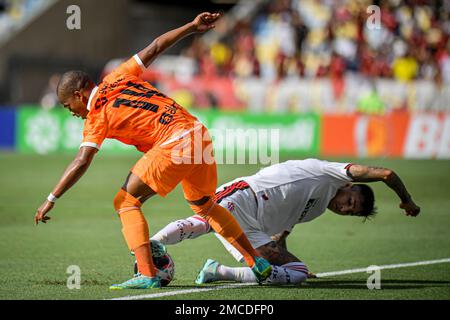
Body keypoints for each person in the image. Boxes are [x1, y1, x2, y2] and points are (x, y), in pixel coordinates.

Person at [33, 12, 272, 290]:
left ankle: (147, 273)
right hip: (198, 133)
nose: (72, 113)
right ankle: (257, 261)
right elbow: (156, 46)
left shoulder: (97, 113)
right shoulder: (117, 76)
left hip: (174, 141)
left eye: (67, 107)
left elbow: (82, 159)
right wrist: (193, 27)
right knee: (206, 206)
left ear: (79, 95)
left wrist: (52, 197)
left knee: (125, 202)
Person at [150, 159, 421, 285]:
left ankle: (217, 271)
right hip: (245, 195)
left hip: (253, 228)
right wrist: (406, 200)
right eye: (350, 202)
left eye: (350, 213)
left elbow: (282, 232)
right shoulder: (333, 173)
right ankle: (152, 245)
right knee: (204, 222)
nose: (344, 208)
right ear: (350, 186)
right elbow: (387, 173)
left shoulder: (317, 210)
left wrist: (282, 262)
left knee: (298, 272)